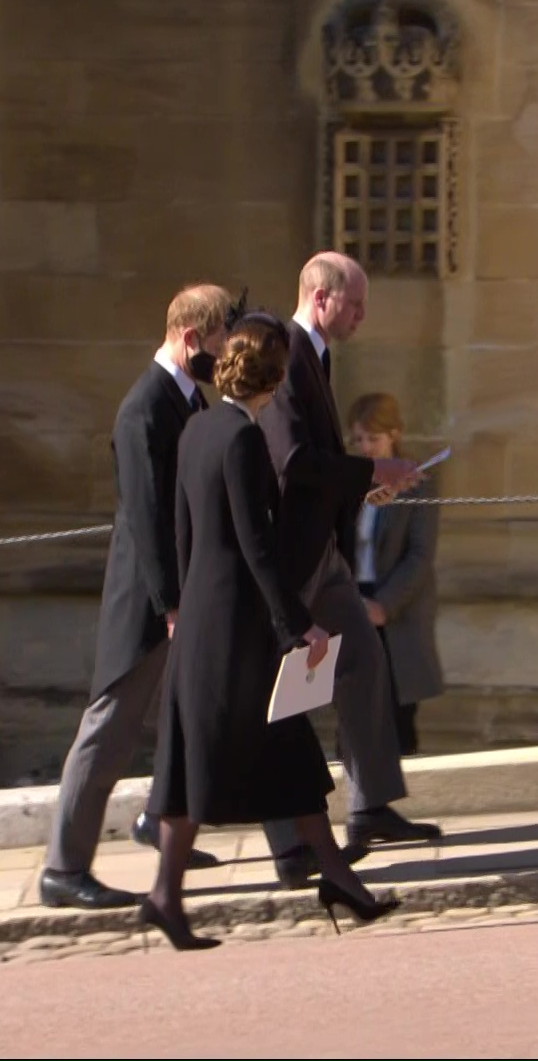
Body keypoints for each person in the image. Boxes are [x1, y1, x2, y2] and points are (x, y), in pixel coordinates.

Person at [141, 314, 401, 950]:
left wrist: (177, 608)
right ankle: (171, 895)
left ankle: (176, 896)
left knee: (235, 753)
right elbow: (256, 545)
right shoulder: (241, 441)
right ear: (274, 376)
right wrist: (297, 624)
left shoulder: (199, 427)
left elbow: (183, 532)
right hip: (236, 623)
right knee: (259, 746)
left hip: (203, 617)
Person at [39, 284, 231, 911]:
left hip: (179, 595)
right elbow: (147, 520)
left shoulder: (186, 400)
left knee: (185, 718)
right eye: (220, 345)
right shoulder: (143, 409)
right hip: (148, 603)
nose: (225, 360)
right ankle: (64, 867)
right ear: (191, 340)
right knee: (109, 732)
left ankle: (159, 819)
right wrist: (172, 604)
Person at [256, 252, 440, 889]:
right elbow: (294, 460)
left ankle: (370, 807)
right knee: (293, 698)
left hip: (323, 551)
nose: (362, 316)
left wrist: (367, 490)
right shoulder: (283, 353)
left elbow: (321, 467)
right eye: (355, 304)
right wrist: (370, 473)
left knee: (364, 657)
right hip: (294, 560)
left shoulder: (320, 355)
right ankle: (292, 842)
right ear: (321, 297)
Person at [347, 393, 446, 757]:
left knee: (398, 713)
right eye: (358, 440)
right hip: (355, 599)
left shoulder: (418, 482)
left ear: (395, 434)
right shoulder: (352, 481)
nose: (366, 447)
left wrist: (384, 606)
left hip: (396, 607)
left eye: (373, 439)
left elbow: (420, 556)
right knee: (355, 709)